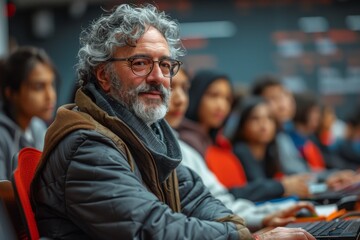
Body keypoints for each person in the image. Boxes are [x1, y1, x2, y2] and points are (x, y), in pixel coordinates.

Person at [31, 4, 315, 240]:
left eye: (165, 65)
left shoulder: (146, 133)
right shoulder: (87, 146)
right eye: (140, 63)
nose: (158, 77)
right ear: (103, 76)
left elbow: (197, 199)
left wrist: (237, 231)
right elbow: (152, 229)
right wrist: (242, 237)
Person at [165, 67, 316, 232]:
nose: (221, 105)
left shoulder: (214, 144)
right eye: (214, 96)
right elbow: (207, 205)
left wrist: (264, 215)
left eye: (227, 98)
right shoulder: (183, 145)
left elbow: (219, 199)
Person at [230, 96, 311, 199]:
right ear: (242, 125)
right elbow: (254, 186)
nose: (264, 124)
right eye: (255, 118)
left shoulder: (271, 151)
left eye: (269, 118)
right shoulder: (240, 150)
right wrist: (283, 186)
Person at [0, 46, 57, 180]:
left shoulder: (37, 127)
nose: (50, 96)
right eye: (38, 87)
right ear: (11, 93)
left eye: (51, 84)